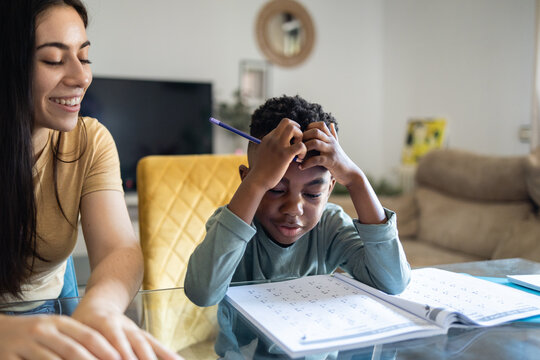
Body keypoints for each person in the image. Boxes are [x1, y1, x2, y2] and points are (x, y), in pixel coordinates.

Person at [0, 1, 181, 359]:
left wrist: (100, 307)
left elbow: (119, 250)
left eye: (84, 57)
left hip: (46, 306)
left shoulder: (90, 140)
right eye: (54, 59)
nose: (81, 77)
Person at [185, 95, 411, 357]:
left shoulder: (331, 225)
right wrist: (257, 184)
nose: (294, 209)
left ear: (329, 189)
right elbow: (201, 293)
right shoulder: (231, 223)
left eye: (313, 194)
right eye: (275, 188)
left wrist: (355, 179)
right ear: (247, 180)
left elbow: (393, 282)